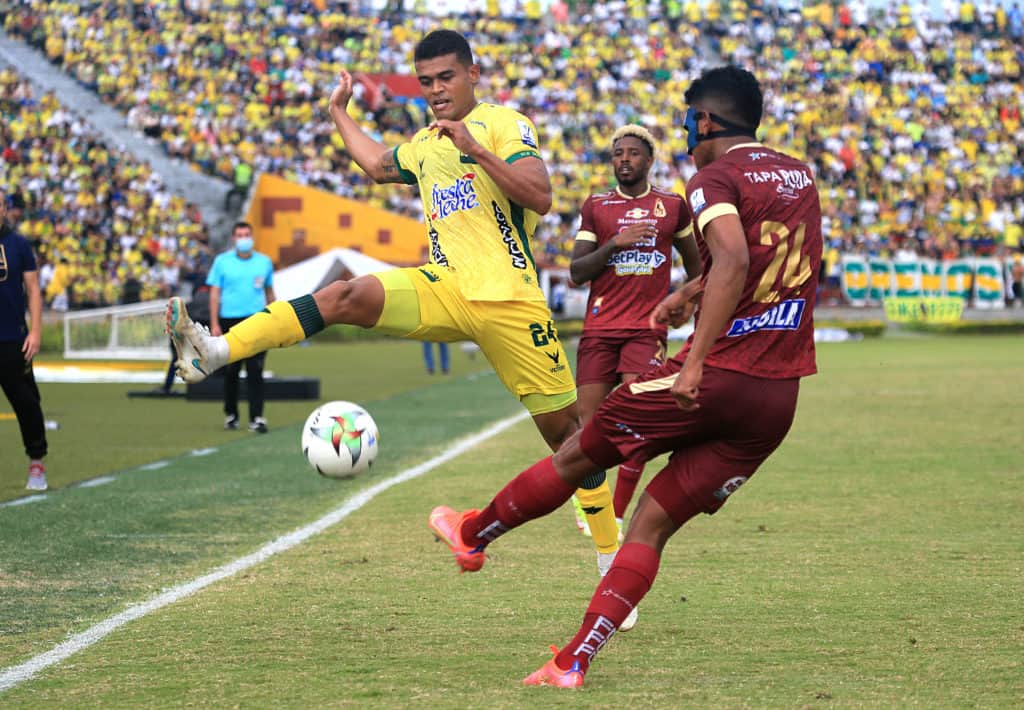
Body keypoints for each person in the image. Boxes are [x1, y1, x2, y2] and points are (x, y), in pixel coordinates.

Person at [165, 29, 623, 572]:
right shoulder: (427, 143)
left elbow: (540, 196)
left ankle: (608, 554)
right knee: (345, 295)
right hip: (444, 287)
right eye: (426, 81)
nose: (435, 89)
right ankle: (213, 353)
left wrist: (474, 149)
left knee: (568, 440)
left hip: (510, 301)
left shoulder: (503, 122)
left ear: (473, 74)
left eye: (446, 77)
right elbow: (380, 165)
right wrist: (339, 114)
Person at [428, 65, 823, 687]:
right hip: (777, 396)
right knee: (651, 525)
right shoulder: (799, 173)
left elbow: (737, 257)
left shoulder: (711, 177)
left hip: (714, 375)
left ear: (707, 121)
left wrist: (692, 361)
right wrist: (692, 291)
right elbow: (762, 261)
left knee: (576, 454)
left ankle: (472, 535)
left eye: (689, 119)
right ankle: (571, 661)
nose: (687, 131)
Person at [568, 124, 702, 539]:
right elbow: (576, 272)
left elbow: (698, 268)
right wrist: (615, 245)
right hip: (600, 327)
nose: (624, 160)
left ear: (649, 160)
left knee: (636, 418)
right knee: (588, 427)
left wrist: (688, 299)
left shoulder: (671, 206)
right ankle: (594, 499)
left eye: (632, 153)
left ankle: (617, 510)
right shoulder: (597, 206)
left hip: (646, 330)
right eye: (618, 154)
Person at [205, 222, 275, 432]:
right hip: (229, 321)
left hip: (256, 320)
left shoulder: (264, 262)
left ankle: (257, 418)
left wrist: (275, 319)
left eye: (247, 234)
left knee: (255, 370)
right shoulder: (222, 262)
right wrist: (215, 323)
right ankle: (231, 415)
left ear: (252, 237)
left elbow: (270, 293)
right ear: (234, 239)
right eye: (239, 235)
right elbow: (215, 293)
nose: (243, 238)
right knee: (231, 371)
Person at [0, 189, 48, 490]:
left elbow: (32, 290)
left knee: (27, 403)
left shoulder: (18, 244)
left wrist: (36, 331)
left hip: (12, 339)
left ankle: (37, 463)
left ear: (5, 209)